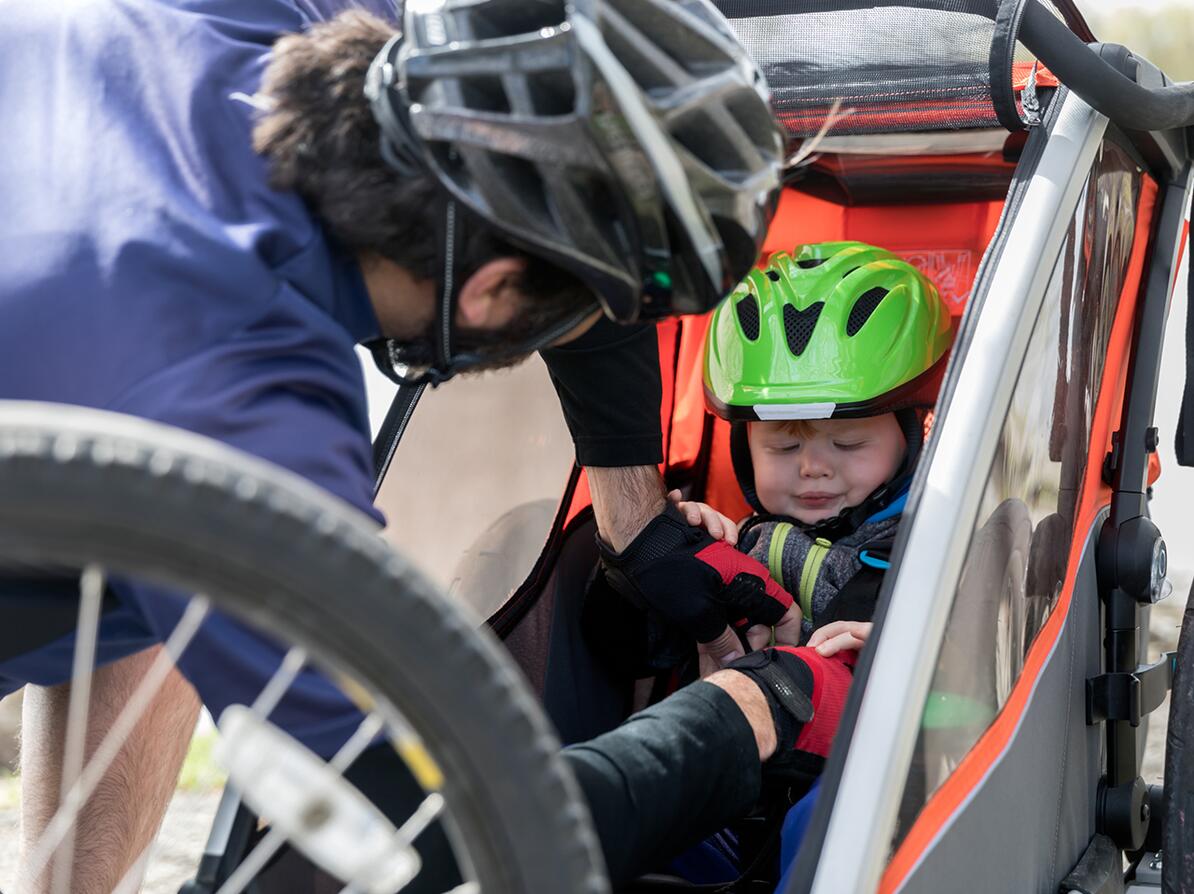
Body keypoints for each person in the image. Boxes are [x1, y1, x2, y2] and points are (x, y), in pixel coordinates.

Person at [0, 1, 791, 891]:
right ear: (493, 293)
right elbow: (398, 827)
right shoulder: (258, 426)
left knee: (158, 560)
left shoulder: (276, 22)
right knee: (191, 554)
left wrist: (635, 516)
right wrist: (733, 721)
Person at [649, 240, 955, 884]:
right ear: (742, 449)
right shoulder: (735, 540)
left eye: (847, 441)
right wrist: (681, 553)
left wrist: (918, 663)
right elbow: (617, 647)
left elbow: (984, 699)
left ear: (913, 433)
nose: (814, 466)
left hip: (864, 803)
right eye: (783, 445)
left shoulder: (945, 550)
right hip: (727, 801)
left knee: (826, 817)